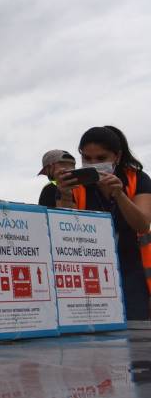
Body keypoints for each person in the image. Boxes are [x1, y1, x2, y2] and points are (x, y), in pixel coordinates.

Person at [58, 126, 151, 320]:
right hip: (90, 272)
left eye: (101, 159)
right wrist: (65, 195)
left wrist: (119, 194)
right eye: (87, 158)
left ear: (116, 157)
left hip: (131, 268)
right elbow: (64, 232)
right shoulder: (76, 184)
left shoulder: (138, 179)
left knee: (137, 329)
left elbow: (142, 224)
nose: (94, 164)